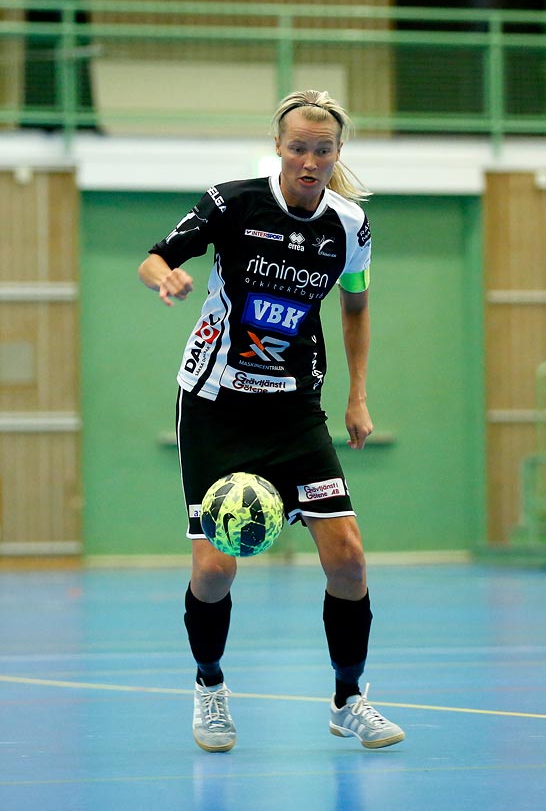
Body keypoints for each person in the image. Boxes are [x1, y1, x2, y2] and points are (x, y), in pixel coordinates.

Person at [137, 89, 404, 752]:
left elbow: (357, 305)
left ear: (337, 153)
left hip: (293, 410)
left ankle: (350, 699)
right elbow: (155, 255)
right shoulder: (234, 203)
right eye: (298, 148)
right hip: (214, 406)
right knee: (215, 570)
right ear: (278, 147)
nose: (310, 161)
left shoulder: (349, 225)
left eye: (323, 150)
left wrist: (358, 396)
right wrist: (163, 278)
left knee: (348, 562)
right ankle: (209, 689)